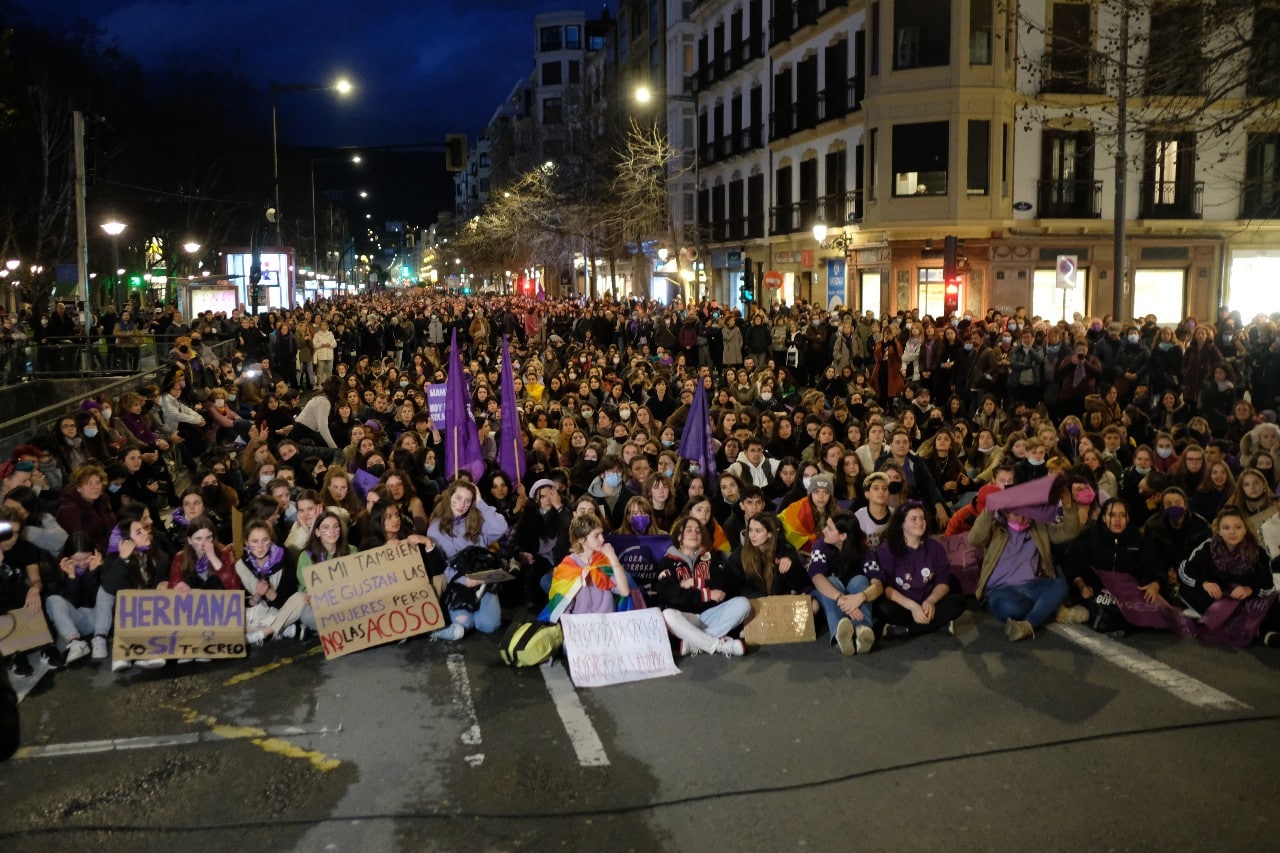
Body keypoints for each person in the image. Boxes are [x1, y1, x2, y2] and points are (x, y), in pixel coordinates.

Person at [655, 515, 750, 657]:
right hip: (685, 618)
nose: (694, 533)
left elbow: (722, 584)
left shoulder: (710, 558)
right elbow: (672, 596)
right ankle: (718, 645)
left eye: (698, 531)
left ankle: (696, 642)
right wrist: (707, 594)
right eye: (689, 530)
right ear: (679, 537)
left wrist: (695, 582)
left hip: (710, 615)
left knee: (743, 604)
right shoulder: (666, 562)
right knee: (667, 615)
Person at [426, 479, 510, 640]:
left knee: (488, 626)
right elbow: (440, 564)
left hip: (483, 580)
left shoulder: (478, 520)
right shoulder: (435, 528)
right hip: (458, 581)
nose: (461, 504)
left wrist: (480, 502)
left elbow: (501, 528)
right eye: (458, 498)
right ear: (449, 497)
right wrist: (463, 580)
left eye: (468, 500)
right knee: (463, 624)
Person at [869, 502, 965, 639]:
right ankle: (937, 624)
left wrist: (931, 601)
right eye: (913, 519)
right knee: (884, 608)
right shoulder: (887, 550)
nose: (920, 522)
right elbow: (887, 588)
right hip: (903, 604)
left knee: (957, 602)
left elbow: (943, 580)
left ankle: (905, 630)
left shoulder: (935, 547)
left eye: (922, 518)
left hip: (928, 603)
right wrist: (913, 607)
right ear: (901, 523)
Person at [1177, 507, 1277, 634]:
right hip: (1216, 597)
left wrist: (1250, 589)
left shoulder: (1258, 552)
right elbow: (1185, 570)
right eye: (1226, 528)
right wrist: (1205, 583)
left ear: (1245, 530)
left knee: (1272, 602)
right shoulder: (1208, 547)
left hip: (1244, 599)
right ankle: (1231, 622)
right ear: (1219, 530)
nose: (1232, 532)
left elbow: (1268, 585)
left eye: (1238, 527)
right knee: (1187, 589)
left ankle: (1258, 629)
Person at [100, 516, 168, 672]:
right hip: (130, 613)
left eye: (143, 529)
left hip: (153, 607)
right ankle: (123, 652)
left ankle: (145, 652)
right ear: (126, 541)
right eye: (138, 532)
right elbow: (111, 586)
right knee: (126, 603)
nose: (145, 533)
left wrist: (164, 581)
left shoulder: (154, 550)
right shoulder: (115, 559)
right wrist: (123, 559)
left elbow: (165, 570)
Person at [808, 511, 879, 656]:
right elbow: (816, 576)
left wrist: (861, 597)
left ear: (843, 536)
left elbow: (877, 584)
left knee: (860, 580)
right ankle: (838, 636)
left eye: (829, 528)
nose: (824, 530)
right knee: (831, 581)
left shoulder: (864, 550)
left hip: (854, 594)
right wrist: (841, 599)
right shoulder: (820, 545)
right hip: (830, 595)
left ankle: (862, 631)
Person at [538, 515, 632, 620]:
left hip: (607, 620)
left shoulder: (604, 560)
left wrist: (613, 558)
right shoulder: (568, 567)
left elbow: (624, 592)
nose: (602, 539)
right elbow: (563, 607)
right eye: (596, 536)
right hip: (581, 623)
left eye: (601, 533)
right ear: (581, 539)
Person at [44, 532, 114, 665]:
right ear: (68, 557)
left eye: (86, 558)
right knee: (52, 599)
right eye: (76, 560)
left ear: (93, 553)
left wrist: (93, 572)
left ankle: (100, 639)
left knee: (105, 590)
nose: (82, 563)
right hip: (77, 621)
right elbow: (72, 603)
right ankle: (75, 643)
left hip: (101, 618)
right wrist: (71, 577)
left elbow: (97, 600)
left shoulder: (104, 561)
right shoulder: (62, 566)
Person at [235, 520, 306, 645]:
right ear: (246, 543)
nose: (260, 546)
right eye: (255, 541)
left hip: (282, 609)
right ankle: (284, 629)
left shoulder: (284, 558)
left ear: (271, 540)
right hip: (260, 612)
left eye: (265, 540)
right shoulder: (242, 565)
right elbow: (247, 603)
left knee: (301, 598)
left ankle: (262, 633)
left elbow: (287, 600)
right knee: (240, 616)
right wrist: (256, 596)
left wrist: (269, 593)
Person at [169, 516, 239, 592]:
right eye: (198, 539)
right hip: (192, 598)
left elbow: (235, 587)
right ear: (189, 540)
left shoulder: (225, 552)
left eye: (208, 537)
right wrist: (177, 588)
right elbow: (171, 589)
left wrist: (213, 558)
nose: (204, 543)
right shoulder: (180, 557)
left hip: (220, 598)